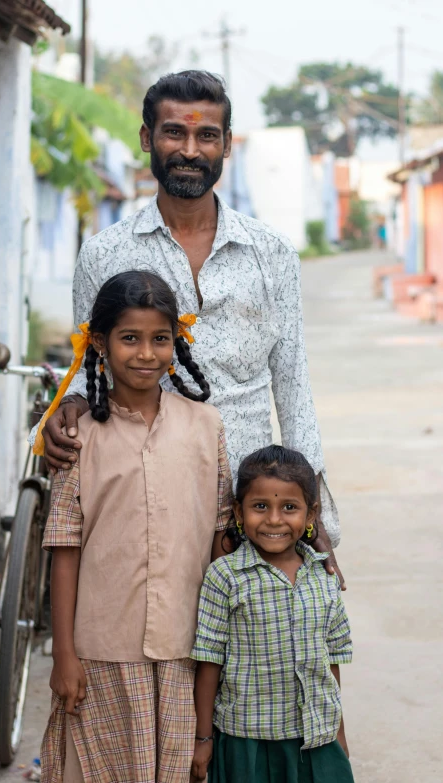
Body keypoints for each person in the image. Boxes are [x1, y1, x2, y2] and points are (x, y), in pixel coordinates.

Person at [37, 69, 345, 585]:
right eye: (174, 132)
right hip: (142, 493)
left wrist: (315, 514)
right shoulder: (105, 253)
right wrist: (60, 413)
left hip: (254, 501)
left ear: (226, 146)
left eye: (207, 135)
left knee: (250, 653)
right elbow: (86, 366)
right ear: (146, 139)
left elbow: (293, 384)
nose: (190, 149)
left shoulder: (271, 254)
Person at [40, 270, 233, 783]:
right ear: (100, 343)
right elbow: (64, 546)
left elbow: (220, 541)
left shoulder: (205, 426)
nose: (146, 353)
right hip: (100, 648)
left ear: (177, 342)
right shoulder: (77, 435)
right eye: (130, 338)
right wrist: (64, 654)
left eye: (159, 339)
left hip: (185, 647)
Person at [190, 445, 354, 783]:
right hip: (248, 741)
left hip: (316, 738)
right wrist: (203, 738)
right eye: (260, 506)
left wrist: (338, 733)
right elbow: (208, 662)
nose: (274, 519)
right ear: (238, 512)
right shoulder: (225, 577)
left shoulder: (323, 578)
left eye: (289, 507)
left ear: (311, 515)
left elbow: (331, 662)